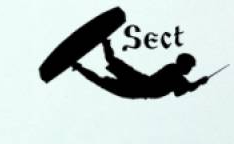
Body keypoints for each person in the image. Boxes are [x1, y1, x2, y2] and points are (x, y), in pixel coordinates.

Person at [72, 38, 210, 99]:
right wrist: (199, 83)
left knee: (102, 80)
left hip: (136, 89)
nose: (190, 69)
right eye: (189, 66)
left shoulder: (179, 78)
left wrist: (198, 83)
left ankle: (78, 67)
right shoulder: (173, 71)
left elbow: (179, 93)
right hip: (140, 83)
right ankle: (104, 43)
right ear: (183, 64)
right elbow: (184, 89)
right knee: (112, 64)